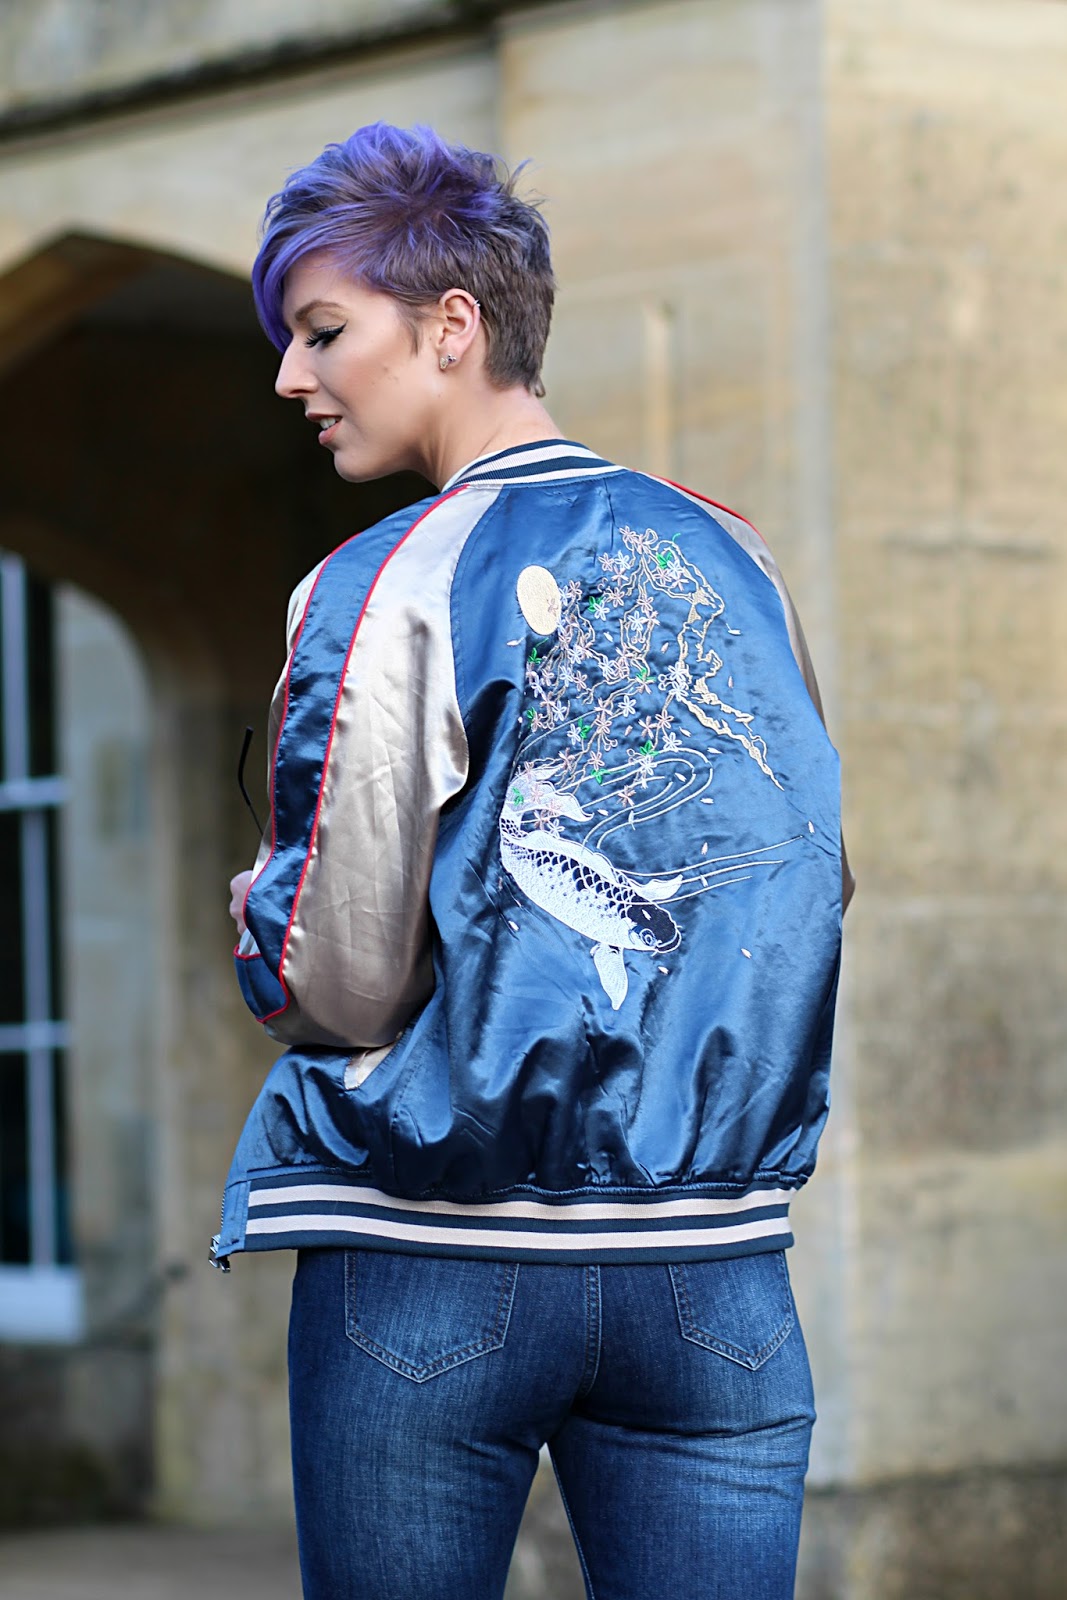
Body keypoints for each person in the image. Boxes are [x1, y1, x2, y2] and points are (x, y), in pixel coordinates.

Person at [219, 121, 852, 1600]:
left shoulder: (385, 575)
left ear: (453, 325)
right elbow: (801, 885)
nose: (291, 377)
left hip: (436, 1260)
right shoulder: (735, 557)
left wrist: (258, 915)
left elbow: (333, 979)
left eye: (322, 331)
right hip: (715, 1273)